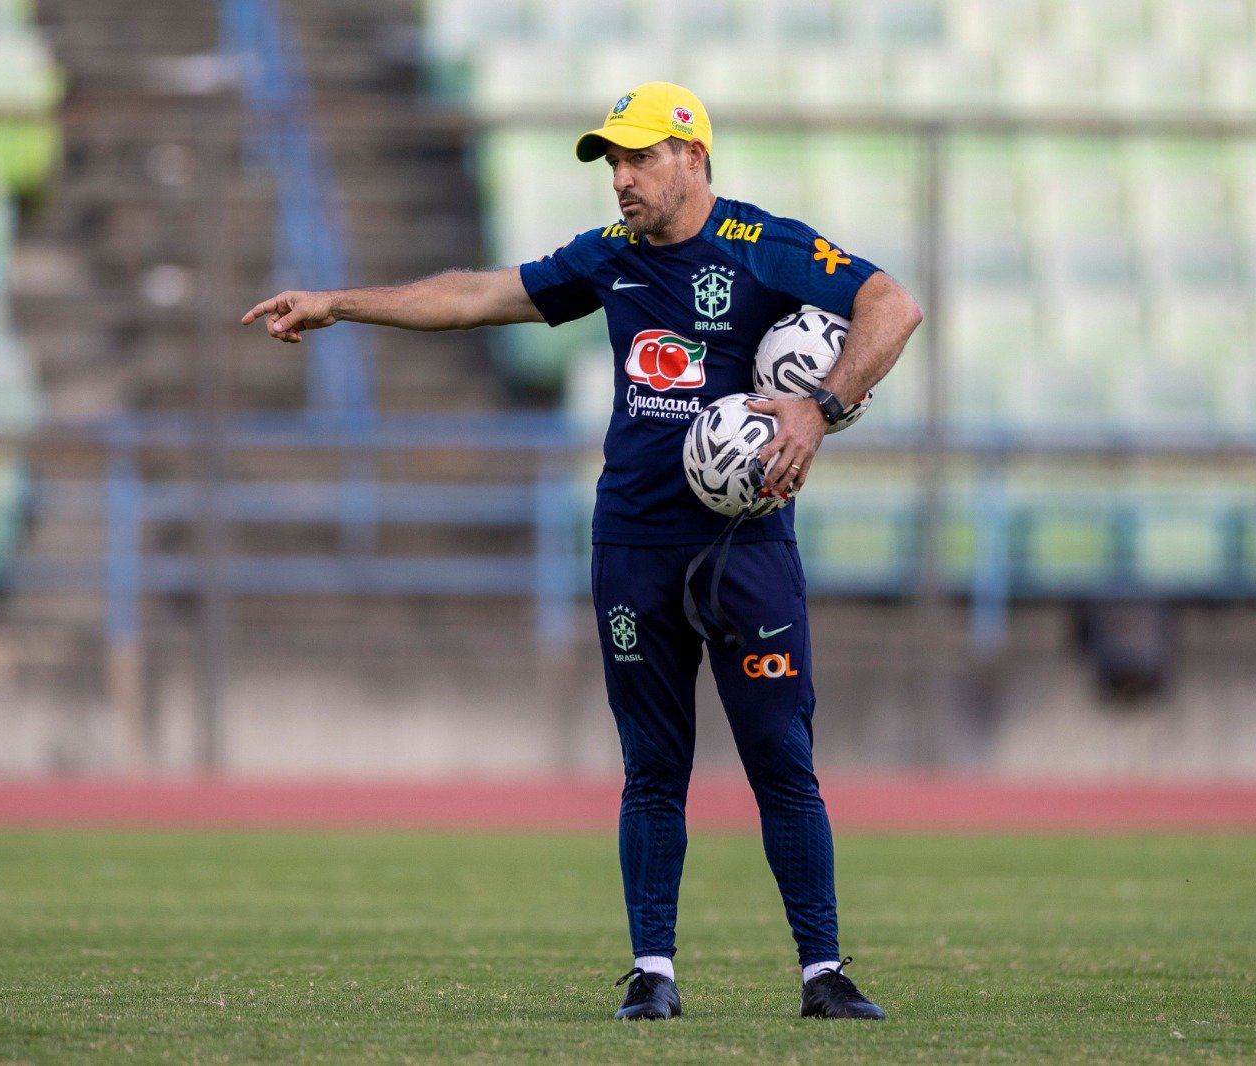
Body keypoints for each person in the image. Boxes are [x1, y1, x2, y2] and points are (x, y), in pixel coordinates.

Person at [243, 82, 922, 1021]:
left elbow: (892, 304)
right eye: (612, 159)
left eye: (640, 157)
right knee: (653, 766)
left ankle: (823, 974)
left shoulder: (766, 246)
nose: (621, 178)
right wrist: (339, 303)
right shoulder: (607, 259)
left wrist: (821, 406)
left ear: (693, 157)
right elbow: (478, 294)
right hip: (633, 546)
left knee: (781, 757)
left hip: (745, 548)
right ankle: (652, 973)